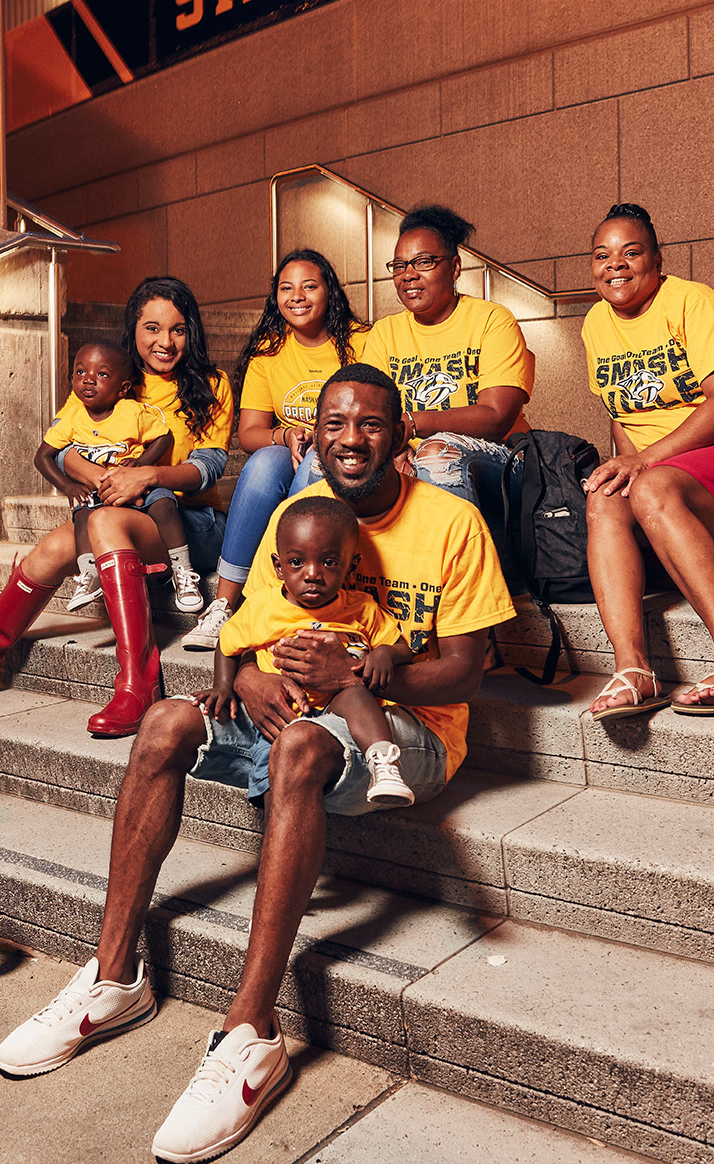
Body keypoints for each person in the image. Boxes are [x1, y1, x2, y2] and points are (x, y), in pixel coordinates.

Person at [0, 364, 515, 1164]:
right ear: (316, 431)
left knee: (303, 746)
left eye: (370, 423)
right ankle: (112, 976)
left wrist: (348, 678)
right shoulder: (294, 519)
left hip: (405, 731)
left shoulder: (450, 523)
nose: (350, 438)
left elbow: (466, 671)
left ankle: (251, 1032)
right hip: (294, 710)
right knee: (168, 719)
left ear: (400, 432)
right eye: (334, 421)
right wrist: (242, 675)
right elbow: (246, 625)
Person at [0, 277, 233, 737]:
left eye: (178, 330)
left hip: (187, 521)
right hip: (119, 508)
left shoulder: (211, 384)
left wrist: (145, 475)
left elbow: (208, 467)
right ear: (134, 329)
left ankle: (138, 683)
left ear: (192, 333)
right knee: (50, 550)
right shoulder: (105, 371)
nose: (165, 342)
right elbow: (63, 445)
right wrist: (103, 477)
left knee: (105, 519)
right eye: (152, 328)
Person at [581, 203, 714, 719]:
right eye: (602, 255)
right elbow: (622, 413)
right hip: (671, 475)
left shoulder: (695, 303)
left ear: (658, 260)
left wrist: (645, 465)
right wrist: (625, 468)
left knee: (649, 487)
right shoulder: (595, 323)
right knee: (605, 498)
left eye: (631, 252)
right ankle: (634, 670)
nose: (616, 264)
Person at [183, 249, 366, 651]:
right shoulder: (270, 349)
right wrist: (285, 436)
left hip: (350, 454)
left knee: (313, 464)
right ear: (275, 297)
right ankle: (223, 605)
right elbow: (249, 433)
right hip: (293, 450)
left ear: (329, 292)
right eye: (286, 288)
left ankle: (299, 605)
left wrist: (325, 436)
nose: (297, 296)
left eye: (309, 286)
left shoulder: (361, 341)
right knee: (265, 462)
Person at [207, 495, 415, 808]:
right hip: (283, 714)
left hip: (338, 709)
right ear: (278, 567)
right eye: (297, 562)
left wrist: (385, 653)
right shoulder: (262, 607)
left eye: (329, 562)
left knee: (356, 694)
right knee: (274, 772)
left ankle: (384, 764)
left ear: (351, 566)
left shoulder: (361, 608)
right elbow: (227, 642)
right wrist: (223, 685)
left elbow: (403, 647)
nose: (313, 573)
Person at [361, 204, 534, 566]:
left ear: (454, 268)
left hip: (499, 462)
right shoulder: (384, 333)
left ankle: (460, 596)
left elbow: (497, 417)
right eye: (399, 266)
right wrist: (393, 449)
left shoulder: (491, 320)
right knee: (323, 462)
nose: (408, 275)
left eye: (423, 262)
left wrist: (412, 425)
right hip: (406, 452)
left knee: (438, 454)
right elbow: (368, 414)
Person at [32, 341, 198, 614]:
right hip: (101, 493)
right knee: (83, 514)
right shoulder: (72, 417)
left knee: (164, 502)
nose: (88, 379)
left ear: (122, 388)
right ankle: (89, 575)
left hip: (137, 488)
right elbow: (42, 457)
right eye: (80, 372)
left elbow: (164, 437)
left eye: (102, 374)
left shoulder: (131, 411)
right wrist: (67, 486)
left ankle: (182, 570)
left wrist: (141, 465)